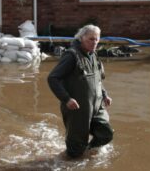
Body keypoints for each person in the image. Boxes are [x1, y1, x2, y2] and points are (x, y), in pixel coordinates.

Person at [47, 24, 113, 158]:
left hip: (96, 106)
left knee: (106, 133)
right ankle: (67, 162)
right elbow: (53, 78)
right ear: (81, 38)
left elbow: (98, 79)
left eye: (96, 39)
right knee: (75, 148)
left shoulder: (94, 55)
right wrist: (66, 99)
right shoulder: (72, 56)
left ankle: (87, 152)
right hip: (77, 109)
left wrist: (105, 95)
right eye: (91, 39)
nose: (94, 42)